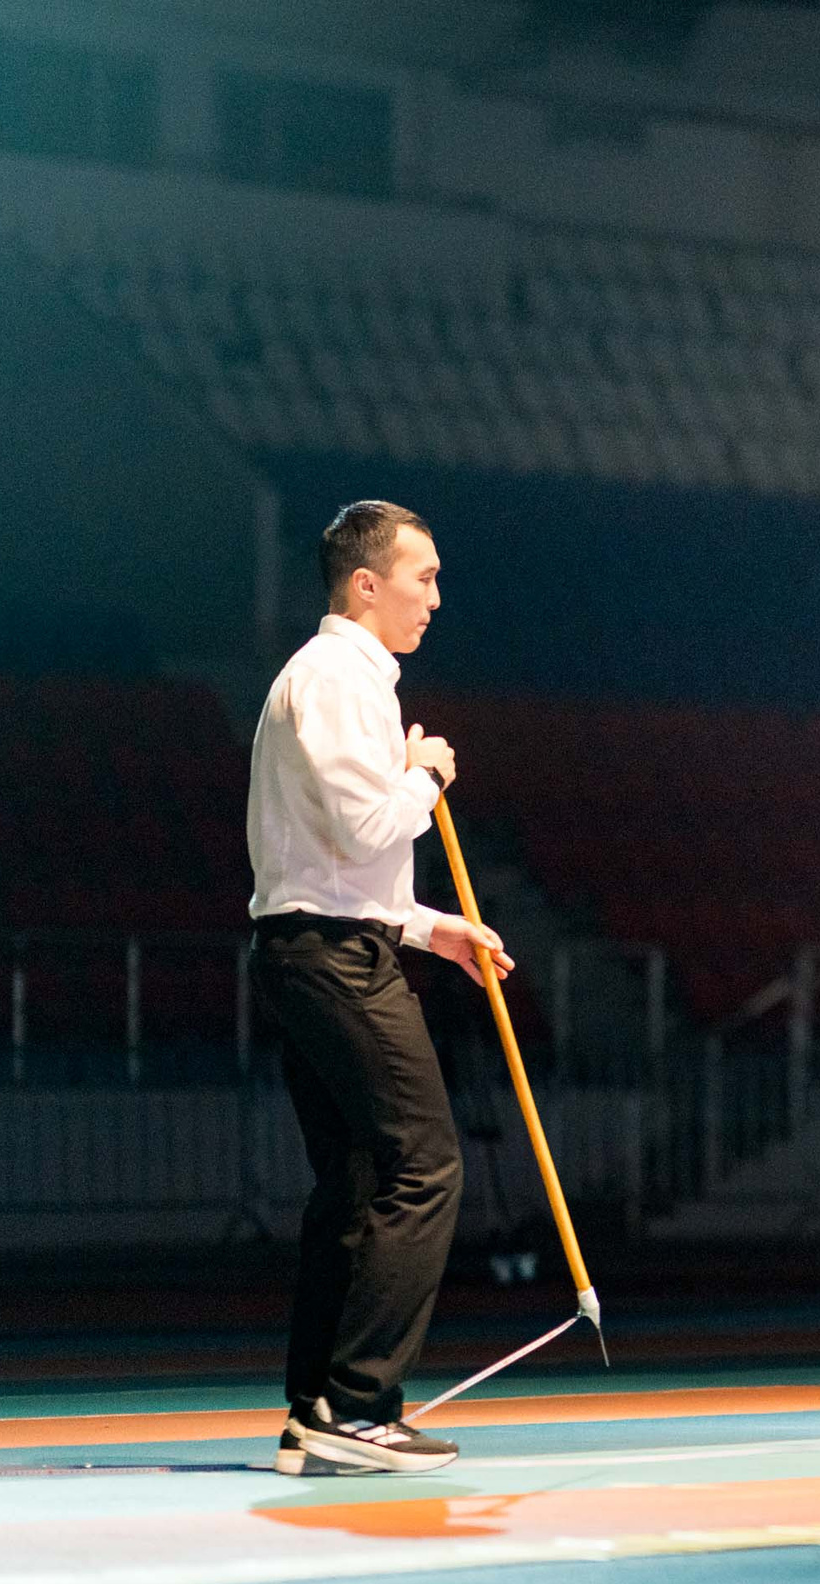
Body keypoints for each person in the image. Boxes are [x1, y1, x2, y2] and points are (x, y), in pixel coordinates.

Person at [248, 500, 514, 1474]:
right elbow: (368, 831)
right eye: (423, 577)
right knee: (423, 1163)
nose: (436, 599)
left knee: (358, 1178)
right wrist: (427, 774)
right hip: (329, 959)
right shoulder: (334, 678)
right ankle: (360, 1407)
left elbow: (335, 864)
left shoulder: (343, 680)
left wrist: (432, 929)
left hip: (322, 944)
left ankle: (318, 1406)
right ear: (367, 584)